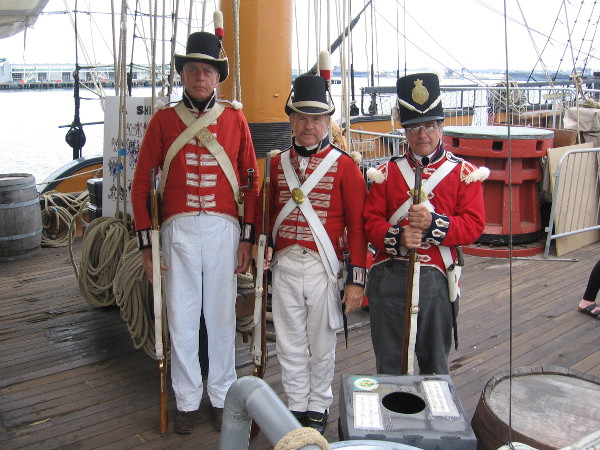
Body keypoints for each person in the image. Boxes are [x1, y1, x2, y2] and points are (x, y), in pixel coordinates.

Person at [130, 30, 258, 433]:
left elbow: (250, 182)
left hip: (223, 231)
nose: (200, 76)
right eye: (192, 70)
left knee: (220, 319)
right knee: (181, 320)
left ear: (217, 77)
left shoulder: (236, 119)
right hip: (177, 233)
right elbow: (139, 187)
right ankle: (186, 400)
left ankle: (221, 396)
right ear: (182, 75)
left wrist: (248, 238)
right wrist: (147, 246)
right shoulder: (164, 120)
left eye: (207, 70)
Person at [261, 74, 368, 434]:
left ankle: (319, 405)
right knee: (289, 345)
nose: (309, 125)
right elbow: (269, 215)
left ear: (328, 123)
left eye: (318, 119)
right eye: (302, 117)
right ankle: (296, 406)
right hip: (285, 267)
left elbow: (358, 227)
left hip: (325, 269)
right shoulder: (277, 165)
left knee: (322, 345)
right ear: (291, 120)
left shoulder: (346, 166)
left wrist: (355, 281)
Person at [363, 72, 488, 375]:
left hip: (436, 279)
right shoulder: (386, 173)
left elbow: (474, 225)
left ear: (441, 127)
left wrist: (435, 224)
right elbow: (370, 222)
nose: (423, 134)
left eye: (430, 125)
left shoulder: (463, 173)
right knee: (390, 363)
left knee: (435, 364)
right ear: (405, 130)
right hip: (390, 274)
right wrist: (399, 236)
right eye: (414, 126)